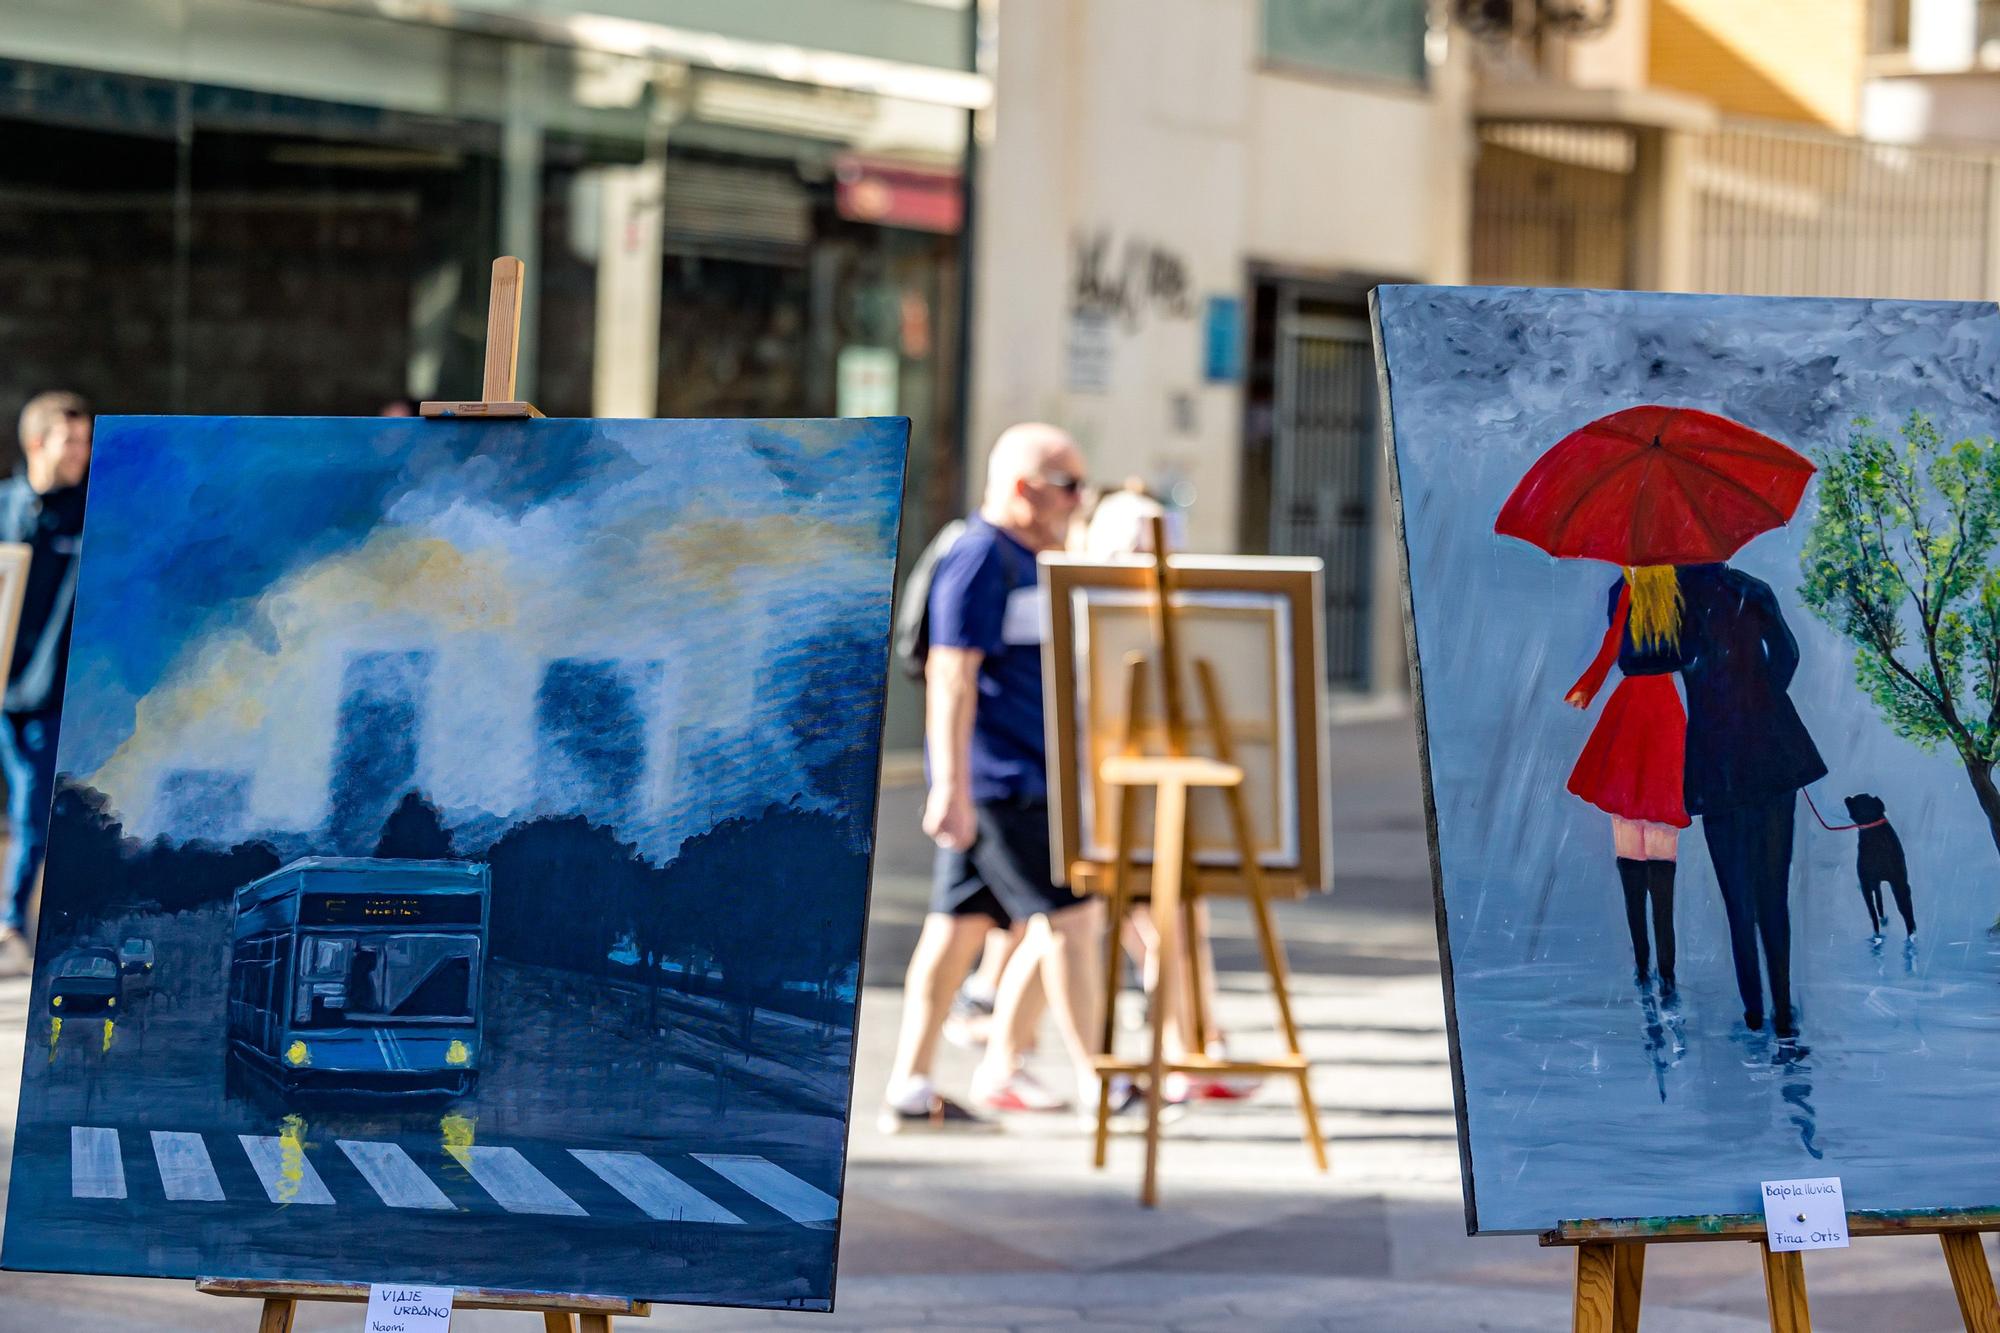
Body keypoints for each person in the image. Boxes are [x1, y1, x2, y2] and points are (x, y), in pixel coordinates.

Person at [879, 423, 1108, 1129]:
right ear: (1021, 488)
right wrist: (950, 785)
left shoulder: (1031, 556)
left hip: (1014, 776)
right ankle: (1105, 1081)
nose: (1079, 499)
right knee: (1074, 919)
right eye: (1068, 485)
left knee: (957, 929)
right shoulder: (982, 555)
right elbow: (952, 672)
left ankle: (911, 1085)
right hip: (1002, 780)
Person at [1621, 561, 1825, 1040]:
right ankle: (1782, 1011)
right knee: (1773, 893)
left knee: (1739, 898)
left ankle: (1754, 1011)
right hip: (1774, 755)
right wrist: (1758, 701)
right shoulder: (1752, 586)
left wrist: (1635, 590)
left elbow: (1635, 662)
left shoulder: (1670, 597)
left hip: (1719, 768)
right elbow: (1789, 656)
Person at [1564, 566, 1688, 1002]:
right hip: (1665, 708)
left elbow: (1612, 648)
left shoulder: (1623, 589)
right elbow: (1690, 654)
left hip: (1631, 708)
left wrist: (1588, 688)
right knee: (1662, 833)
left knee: (1628, 834)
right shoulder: (1680, 588)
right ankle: (1666, 966)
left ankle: (1643, 962)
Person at [0, 391, 92, 963]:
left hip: (49, 690)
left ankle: (12, 919)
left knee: (35, 802)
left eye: (86, 441)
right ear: (37, 442)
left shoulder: (93, 512)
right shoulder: (6, 506)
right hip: (4, 686)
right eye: (71, 440)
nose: (82, 452)